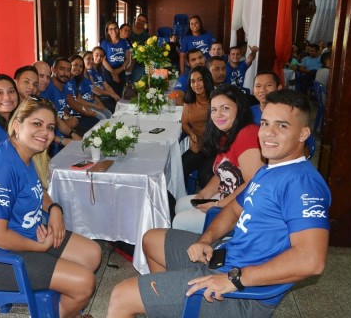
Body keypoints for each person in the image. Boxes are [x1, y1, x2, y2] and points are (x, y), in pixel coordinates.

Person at [106, 90, 331, 318]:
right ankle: (170, 306)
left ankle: (168, 300)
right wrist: (205, 239)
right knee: (152, 239)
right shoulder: (269, 170)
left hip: (241, 293)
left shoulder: (302, 184)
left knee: (121, 296)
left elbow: (311, 260)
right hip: (226, 255)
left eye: (282, 126)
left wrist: (234, 279)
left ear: (303, 133)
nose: (268, 133)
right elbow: (233, 209)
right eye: (264, 123)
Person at [0, 97, 102, 318]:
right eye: (36, 124)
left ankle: (61, 310)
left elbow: (37, 191)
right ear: (17, 125)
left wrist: (55, 209)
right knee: (84, 283)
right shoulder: (3, 167)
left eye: (49, 127)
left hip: (25, 233)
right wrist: (38, 248)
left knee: (92, 254)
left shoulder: (27, 155)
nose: (45, 133)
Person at [173, 85, 264, 233]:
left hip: (243, 208)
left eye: (225, 108)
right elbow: (220, 173)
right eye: (214, 110)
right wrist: (204, 194)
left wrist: (219, 204)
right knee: (181, 205)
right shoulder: (226, 134)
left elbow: (252, 184)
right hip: (228, 195)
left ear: (239, 108)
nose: (218, 114)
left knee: (179, 221)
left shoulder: (248, 134)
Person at [42, 57, 97, 137]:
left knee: (95, 125)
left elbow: (64, 108)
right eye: (62, 69)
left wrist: (69, 117)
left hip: (66, 125)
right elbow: (45, 122)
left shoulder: (64, 87)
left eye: (68, 70)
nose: (65, 73)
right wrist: (67, 124)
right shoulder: (47, 89)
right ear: (53, 69)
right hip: (55, 133)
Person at [181, 66, 215, 191]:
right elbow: (184, 123)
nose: (196, 84)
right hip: (198, 147)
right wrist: (191, 134)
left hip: (214, 147)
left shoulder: (215, 100)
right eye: (192, 81)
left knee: (204, 175)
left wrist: (203, 143)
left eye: (199, 80)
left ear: (206, 80)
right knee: (181, 166)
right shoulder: (189, 101)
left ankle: (207, 207)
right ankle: (181, 199)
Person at [67, 53, 112, 121]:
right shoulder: (65, 81)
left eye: (80, 66)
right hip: (76, 111)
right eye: (75, 65)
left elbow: (91, 94)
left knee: (108, 113)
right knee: (102, 118)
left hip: (85, 106)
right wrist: (89, 108)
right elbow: (76, 100)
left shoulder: (76, 80)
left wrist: (97, 104)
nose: (78, 68)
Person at [100, 21, 131, 97]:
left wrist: (119, 71)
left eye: (115, 28)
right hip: (108, 70)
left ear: (118, 29)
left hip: (121, 69)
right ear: (107, 31)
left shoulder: (124, 42)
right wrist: (113, 73)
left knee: (120, 93)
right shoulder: (104, 43)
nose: (113, 31)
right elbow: (103, 60)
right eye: (110, 29)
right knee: (111, 94)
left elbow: (127, 58)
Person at [87, 46, 121, 113]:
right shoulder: (88, 70)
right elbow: (94, 89)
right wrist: (111, 94)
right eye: (96, 55)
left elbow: (107, 86)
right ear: (92, 55)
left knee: (118, 106)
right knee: (112, 110)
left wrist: (115, 96)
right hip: (96, 98)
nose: (99, 58)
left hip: (104, 97)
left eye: (101, 56)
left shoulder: (99, 71)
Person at [129, 14, 150, 82]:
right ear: (136, 19)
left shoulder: (146, 35)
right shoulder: (128, 30)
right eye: (139, 20)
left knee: (135, 83)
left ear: (145, 23)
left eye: (143, 21)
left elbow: (148, 49)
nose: (140, 22)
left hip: (139, 62)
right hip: (127, 60)